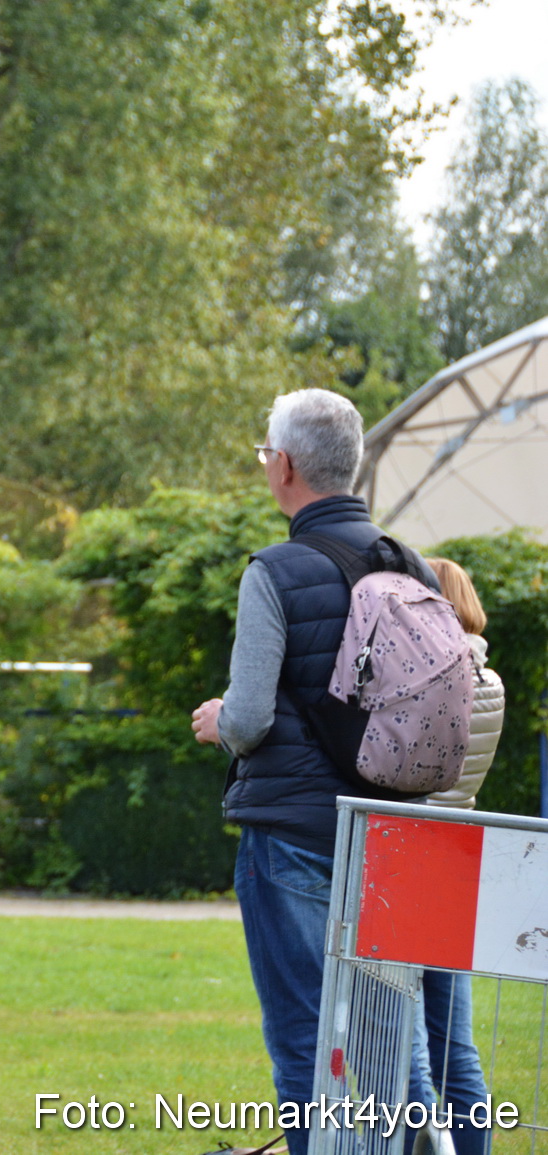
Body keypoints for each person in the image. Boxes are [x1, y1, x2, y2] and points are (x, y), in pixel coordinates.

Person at [191, 388, 437, 1155]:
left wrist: (218, 719)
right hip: (395, 833)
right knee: (399, 1051)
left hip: (296, 833)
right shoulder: (411, 562)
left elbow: (252, 717)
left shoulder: (275, 569)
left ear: (286, 465)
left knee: (308, 1039)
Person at [414, 557, 505, 1155]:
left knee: (404, 1039)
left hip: (412, 856)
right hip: (457, 860)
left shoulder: (431, 674)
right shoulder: (490, 680)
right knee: (457, 1044)